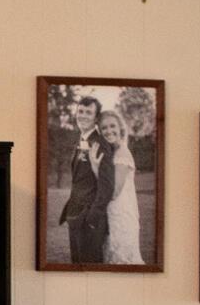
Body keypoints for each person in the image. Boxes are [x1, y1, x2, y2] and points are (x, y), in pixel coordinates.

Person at [56, 95, 108, 264]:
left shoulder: (100, 144)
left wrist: (92, 218)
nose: (83, 116)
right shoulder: (81, 140)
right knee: (76, 265)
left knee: (90, 268)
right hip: (75, 215)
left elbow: (107, 186)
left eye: (88, 112)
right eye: (81, 111)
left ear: (96, 118)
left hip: (89, 219)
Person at [98, 102, 142, 264]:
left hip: (122, 215)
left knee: (122, 261)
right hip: (112, 214)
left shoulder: (122, 153)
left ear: (120, 128)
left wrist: (95, 167)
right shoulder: (113, 152)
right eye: (104, 128)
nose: (109, 131)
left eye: (112, 126)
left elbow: (114, 191)